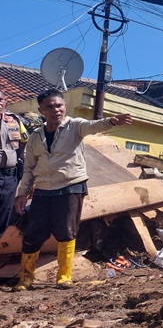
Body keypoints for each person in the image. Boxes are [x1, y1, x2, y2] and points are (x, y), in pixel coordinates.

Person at [13, 88, 133, 291]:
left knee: (66, 231)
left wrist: (112, 121)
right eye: (49, 107)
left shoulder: (75, 126)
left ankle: (64, 277)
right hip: (43, 189)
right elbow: (29, 168)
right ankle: (25, 278)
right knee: (34, 233)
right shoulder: (35, 137)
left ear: (64, 106)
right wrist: (22, 193)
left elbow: (94, 126)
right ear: (42, 110)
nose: (55, 110)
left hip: (71, 186)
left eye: (59, 105)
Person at [0, 89, 27, 238]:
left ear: (5, 101)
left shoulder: (14, 121)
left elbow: (24, 145)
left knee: (3, 218)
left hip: (10, 178)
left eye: (0, 100)